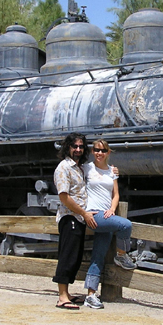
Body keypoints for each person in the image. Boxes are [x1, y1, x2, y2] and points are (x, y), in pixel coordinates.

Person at [81, 139, 136, 309]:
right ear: (92, 151)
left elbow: (116, 194)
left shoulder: (112, 171)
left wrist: (112, 208)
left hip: (106, 214)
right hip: (94, 215)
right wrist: (83, 211)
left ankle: (90, 295)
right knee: (125, 225)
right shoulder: (87, 168)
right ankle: (121, 255)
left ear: (108, 152)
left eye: (103, 150)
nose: (99, 153)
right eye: (97, 150)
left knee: (98, 255)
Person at [52, 132, 92, 310]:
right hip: (70, 216)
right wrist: (84, 213)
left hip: (79, 217)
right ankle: (62, 297)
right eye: (74, 146)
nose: (78, 149)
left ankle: (67, 293)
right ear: (67, 147)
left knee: (75, 256)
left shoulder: (79, 168)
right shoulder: (64, 168)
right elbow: (64, 197)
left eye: (81, 147)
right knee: (67, 255)